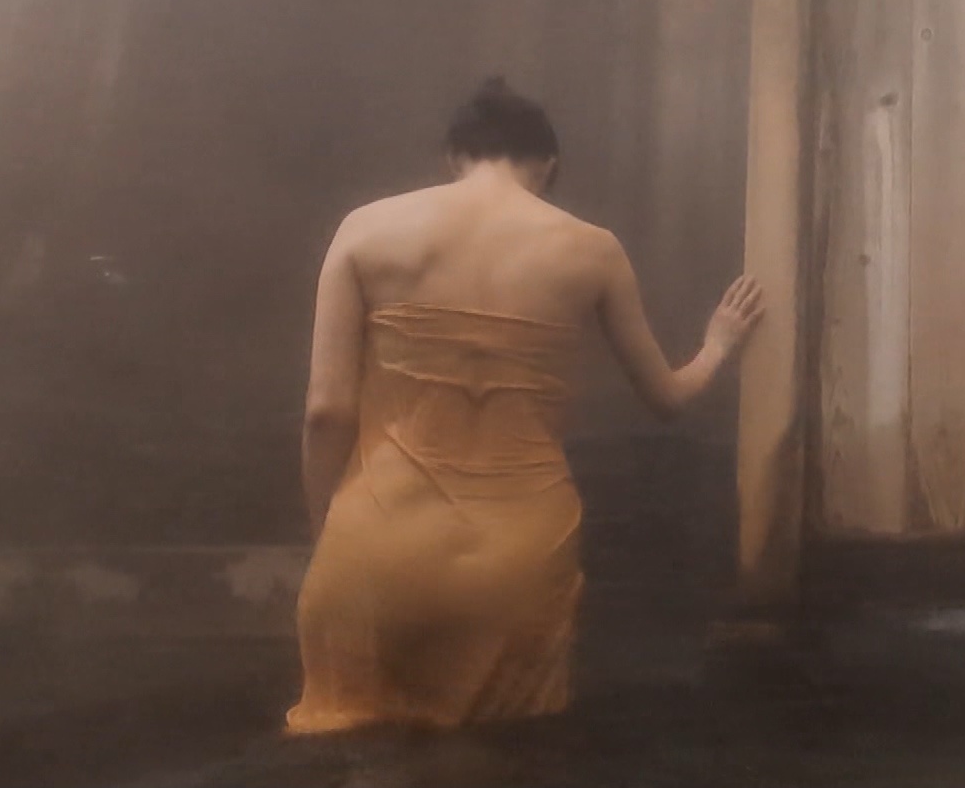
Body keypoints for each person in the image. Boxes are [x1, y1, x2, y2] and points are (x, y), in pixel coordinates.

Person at [285, 77, 763, 734]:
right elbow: (668, 398)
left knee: (349, 749)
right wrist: (717, 345)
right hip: (517, 555)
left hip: (377, 545)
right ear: (547, 165)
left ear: (456, 157)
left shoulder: (365, 230)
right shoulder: (592, 250)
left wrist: (330, 540)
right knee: (505, 756)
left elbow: (326, 412)